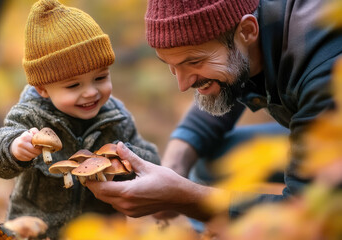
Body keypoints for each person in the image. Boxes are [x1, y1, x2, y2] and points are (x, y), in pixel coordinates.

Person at [86, 0, 342, 223]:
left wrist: (184, 198)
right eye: (171, 66)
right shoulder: (247, 26)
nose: (183, 84)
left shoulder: (324, 67)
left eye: (194, 62)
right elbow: (219, 92)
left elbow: (309, 216)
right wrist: (175, 169)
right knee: (206, 161)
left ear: (248, 31)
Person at [0, 0, 159, 238]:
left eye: (100, 78)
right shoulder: (30, 116)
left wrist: (126, 157)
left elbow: (151, 160)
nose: (90, 92)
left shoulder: (116, 118)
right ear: (43, 89)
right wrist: (13, 146)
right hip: (37, 231)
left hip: (99, 232)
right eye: (74, 85)